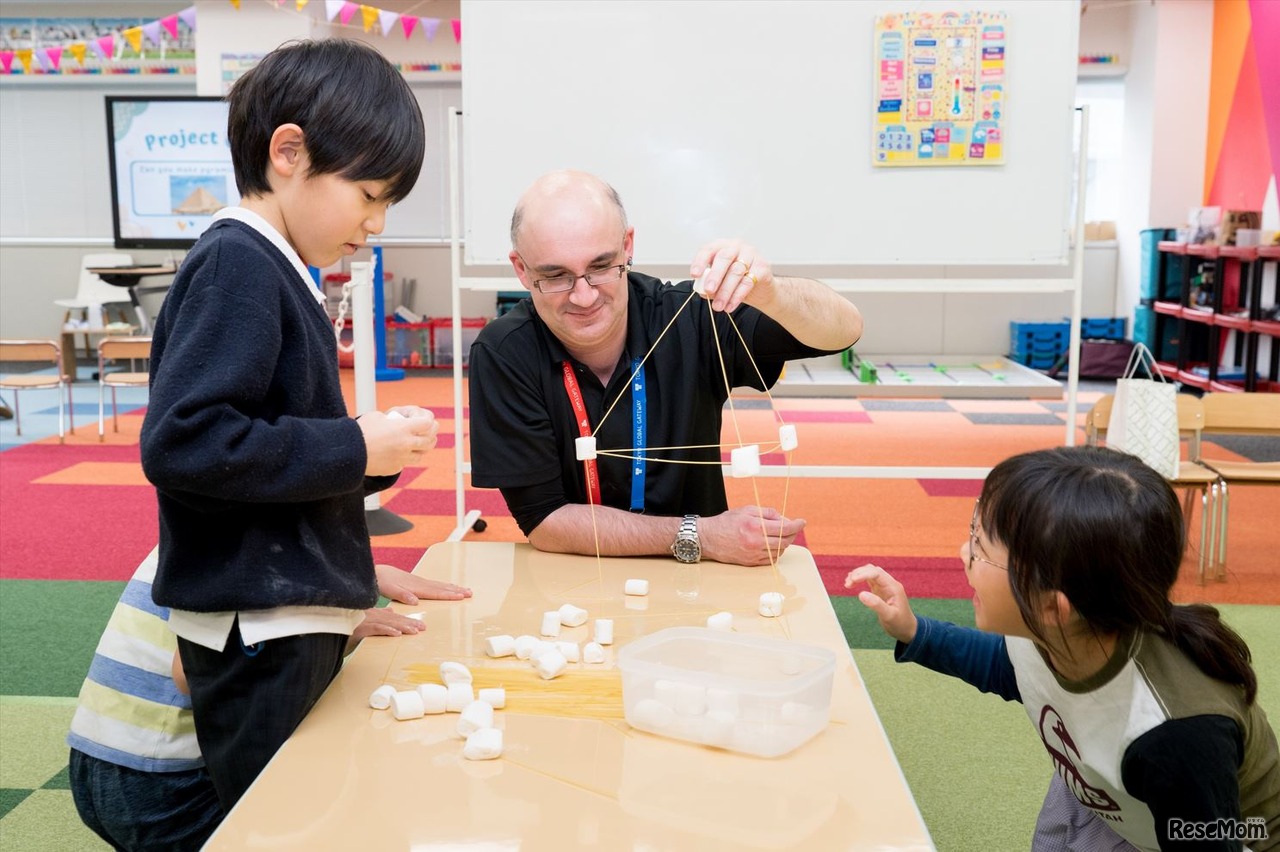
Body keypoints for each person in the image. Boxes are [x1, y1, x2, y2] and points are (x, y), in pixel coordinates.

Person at [138, 39, 434, 810]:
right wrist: (353, 443)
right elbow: (187, 441)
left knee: (309, 806)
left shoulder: (273, 267)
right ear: (290, 153)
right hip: (257, 627)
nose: (373, 224)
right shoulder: (240, 263)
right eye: (369, 194)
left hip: (284, 617)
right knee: (280, 818)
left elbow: (266, 441)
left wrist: (370, 456)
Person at [847, 445, 1279, 851]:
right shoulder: (1062, 630)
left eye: (980, 547)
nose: (964, 553)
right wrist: (914, 630)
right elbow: (1009, 667)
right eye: (973, 532)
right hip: (1109, 787)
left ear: (1054, 606)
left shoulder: (1173, 734)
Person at [468, 170, 863, 567]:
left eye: (602, 267)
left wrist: (773, 293)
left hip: (700, 583)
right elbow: (544, 520)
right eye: (555, 276)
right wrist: (700, 535)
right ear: (521, 270)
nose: (584, 296)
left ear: (627, 246)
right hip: (575, 578)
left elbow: (843, 331)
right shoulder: (503, 352)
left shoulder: (689, 317)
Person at [68, 548, 470, 851]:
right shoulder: (253, 543)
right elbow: (194, 672)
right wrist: (331, 621)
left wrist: (355, 586)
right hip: (160, 782)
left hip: (99, 758)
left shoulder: (223, 518)